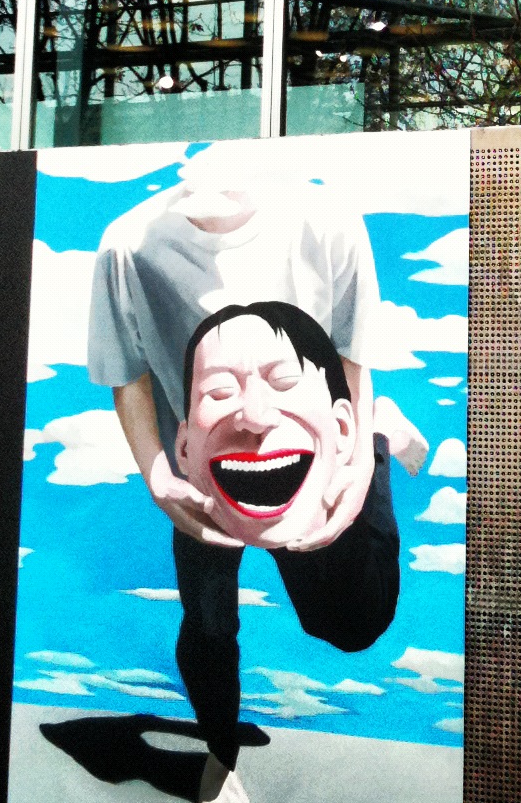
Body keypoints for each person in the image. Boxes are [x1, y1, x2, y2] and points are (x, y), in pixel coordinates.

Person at [87, 160, 420, 803]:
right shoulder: (127, 245)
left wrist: (357, 465)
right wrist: (158, 476)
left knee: (349, 624)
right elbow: (127, 375)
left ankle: (379, 432)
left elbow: (351, 359)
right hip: (206, 468)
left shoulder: (324, 223)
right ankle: (220, 756)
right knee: (208, 622)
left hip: (309, 452)